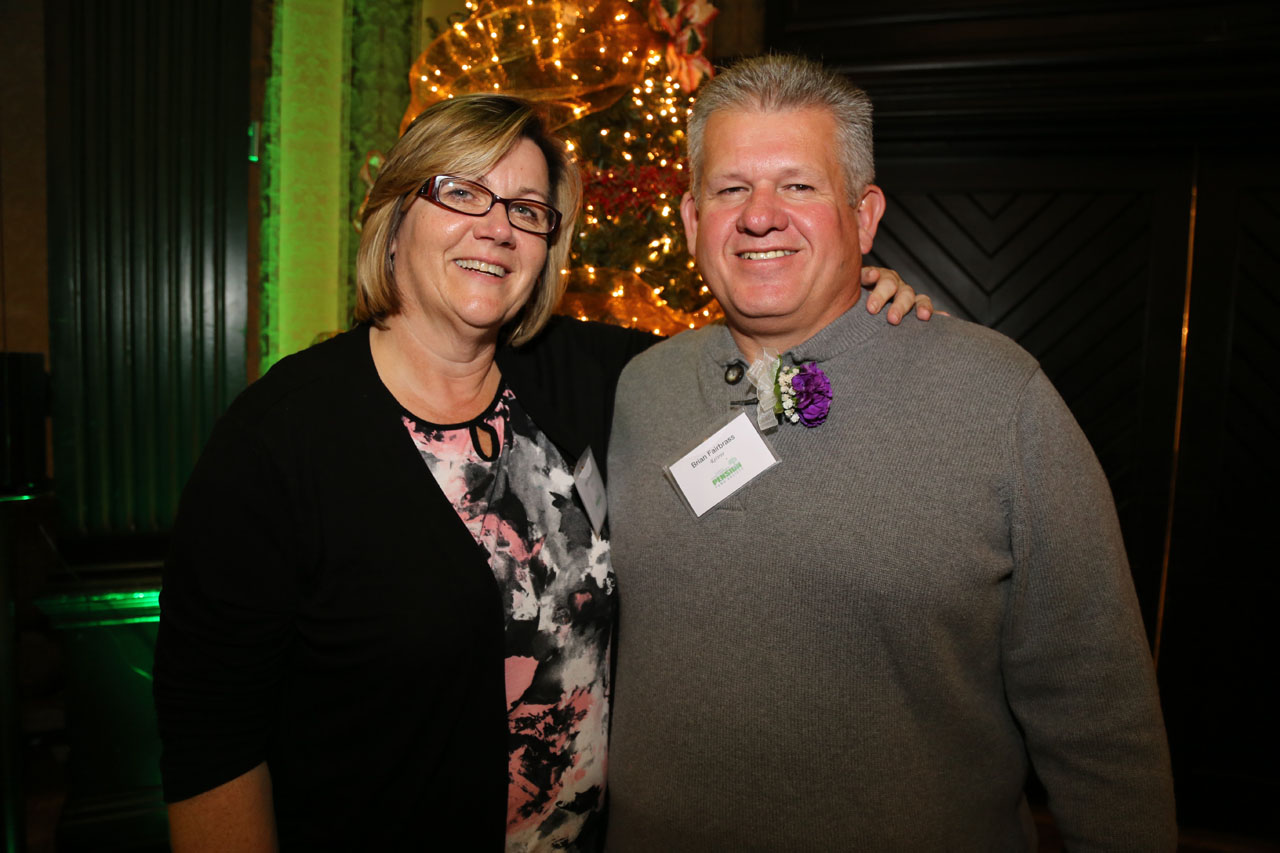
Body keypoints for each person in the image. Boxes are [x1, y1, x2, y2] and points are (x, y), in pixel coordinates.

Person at [152, 93, 929, 851]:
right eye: (462, 192)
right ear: (395, 215)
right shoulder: (278, 439)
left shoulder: (590, 377)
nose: (497, 227)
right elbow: (208, 736)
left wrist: (852, 306)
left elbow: (748, 364)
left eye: (526, 208)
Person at [604, 54, 1177, 850]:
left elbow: (1098, 714)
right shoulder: (638, 389)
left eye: (798, 185)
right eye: (730, 188)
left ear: (865, 215)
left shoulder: (997, 397)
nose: (760, 215)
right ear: (691, 218)